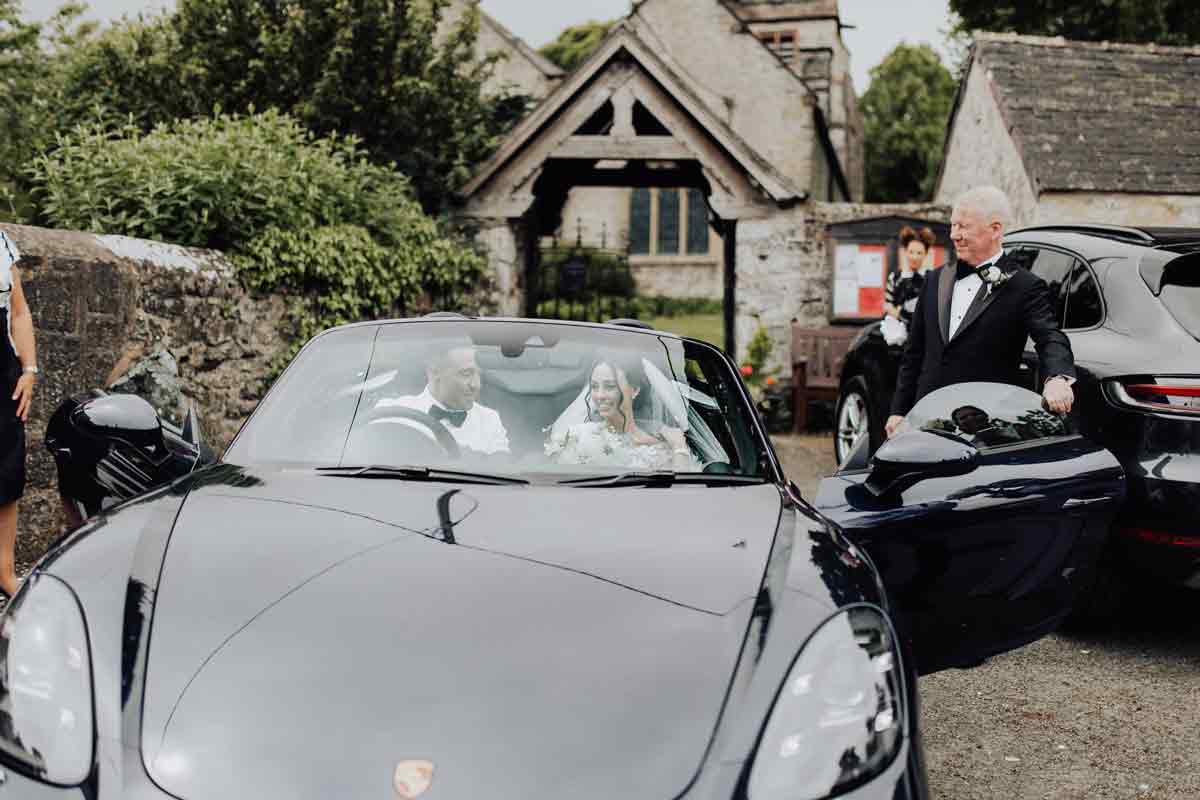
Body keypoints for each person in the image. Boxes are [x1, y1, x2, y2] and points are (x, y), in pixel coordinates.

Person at [885, 186, 1075, 439]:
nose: (954, 235)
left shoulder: (1024, 286)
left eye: (963, 226)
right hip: (925, 419)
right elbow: (914, 354)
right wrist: (899, 410)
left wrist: (1057, 378)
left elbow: (1050, 336)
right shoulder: (934, 280)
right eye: (953, 226)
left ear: (995, 229)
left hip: (984, 425)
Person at [545, 353, 699, 471]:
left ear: (635, 390)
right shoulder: (577, 436)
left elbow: (681, 492)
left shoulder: (662, 446)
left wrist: (679, 447)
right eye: (594, 386)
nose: (599, 396)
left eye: (610, 386)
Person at [375, 341, 509, 455]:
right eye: (466, 373)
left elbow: (502, 471)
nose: (476, 385)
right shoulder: (391, 412)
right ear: (434, 373)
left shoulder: (490, 421)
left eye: (478, 374)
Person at [0, 231, 36, 598]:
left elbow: (20, 312)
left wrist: (29, 370)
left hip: (3, 372)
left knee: (7, 471)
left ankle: (4, 573)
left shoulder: (1, 241)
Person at [884, 225, 937, 327]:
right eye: (911, 252)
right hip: (898, 331)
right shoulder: (895, 277)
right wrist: (899, 315)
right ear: (905, 252)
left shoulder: (932, 278)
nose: (914, 257)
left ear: (925, 254)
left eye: (919, 253)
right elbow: (888, 303)